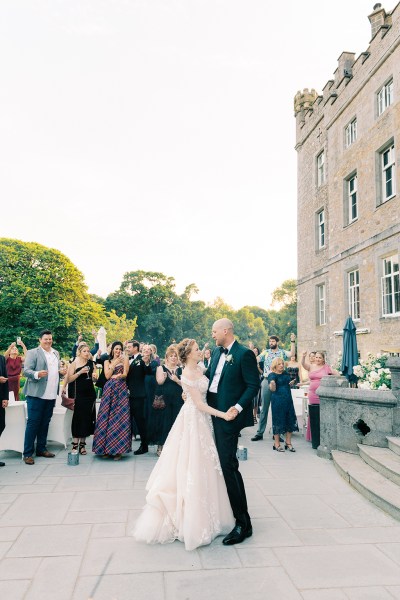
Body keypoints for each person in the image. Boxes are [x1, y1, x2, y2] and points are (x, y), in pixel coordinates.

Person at [133, 338, 236, 551]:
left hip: (202, 420)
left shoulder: (200, 368)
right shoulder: (187, 373)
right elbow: (199, 403)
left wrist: (186, 392)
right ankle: (191, 519)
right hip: (194, 419)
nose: (200, 352)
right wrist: (223, 415)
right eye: (197, 350)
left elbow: (202, 387)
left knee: (207, 464)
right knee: (193, 463)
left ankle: (211, 513)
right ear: (188, 354)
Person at [206, 318, 260, 545]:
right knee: (221, 465)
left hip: (228, 417)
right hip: (211, 414)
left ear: (225, 330)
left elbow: (253, 385)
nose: (213, 335)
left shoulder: (244, 353)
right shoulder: (217, 353)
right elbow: (209, 379)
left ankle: (243, 523)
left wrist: (237, 408)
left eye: (214, 330)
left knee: (229, 466)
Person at [22, 330, 65, 465]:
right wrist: (37, 374)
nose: (48, 341)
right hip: (36, 394)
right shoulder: (33, 352)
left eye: (50, 339)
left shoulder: (55, 353)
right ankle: (28, 453)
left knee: (45, 422)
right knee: (33, 423)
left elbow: (55, 372)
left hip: (51, 394)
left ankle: (41, 448)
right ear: (40, 340)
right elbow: (26, 371)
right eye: (45, 339)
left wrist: (61, 373)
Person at [251, 334, 296, 442]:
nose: (271, 343)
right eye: (270, 341)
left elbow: (292, 354)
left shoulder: (282, 352)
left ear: (277, 342)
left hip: (279, 382)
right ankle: (259, 433)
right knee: (264, 409)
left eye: (273, 341)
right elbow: (256, 358)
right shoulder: (265, 352)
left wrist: (292, 341)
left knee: (278, 409)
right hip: (267, 380)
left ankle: (277, 433)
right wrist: (251, 351)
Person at [92, 341, 131, 460]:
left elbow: (125, 374)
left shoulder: (125, 359)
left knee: (119, 417)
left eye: (120, 349)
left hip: (121, 389)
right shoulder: (106, 361)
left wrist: (120, 375)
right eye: (116, 349)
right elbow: (107, 375)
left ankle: (118, 450)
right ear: (112, 350)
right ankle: (106, 449)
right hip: (109, 390)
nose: (118, 351)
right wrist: (114, 364)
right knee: (106, 417)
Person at [62, 342, 97, 455]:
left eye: (88, 351)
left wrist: (94, 377)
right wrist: (80, 372)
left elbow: (94, 379)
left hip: (90, 394)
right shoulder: (74, 363)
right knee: (77, 419)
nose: (87, 353)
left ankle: (82, 445)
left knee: (87, 419)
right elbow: (69, 379)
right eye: (84, 351)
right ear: (80, 352)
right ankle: (75, 445)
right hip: (78, 395)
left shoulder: (92, 363)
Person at [302, 350, 338, 449]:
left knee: (322, 414)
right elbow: (303, 365)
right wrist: (303, 357)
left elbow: (337, 374)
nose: (317, 359)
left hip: (322, 394)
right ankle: (314, 437)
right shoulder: (312, 366)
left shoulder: (326, 368)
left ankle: (323, 436)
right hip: (312, 394)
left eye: (319, 358)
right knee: (313, 414)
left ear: (323, 359)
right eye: (316, 357)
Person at [153, 345, 183, 456]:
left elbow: (185, 384)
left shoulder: (180, 369)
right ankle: (161, 446)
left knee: (176, 422)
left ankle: (174, 447)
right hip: (165, 399)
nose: (174, 358)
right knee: (164, 422)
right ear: (167, 357)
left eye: (175, 356)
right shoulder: (161, 368)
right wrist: (164, 377)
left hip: (178, 399)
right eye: (171, 356)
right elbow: (159, 382)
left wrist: (177, 380)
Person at [268, 357, 299, 452]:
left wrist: (292, 382)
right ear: (275, 366)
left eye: (282, 363)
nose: (282, 365)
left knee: (289, 419)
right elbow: (272, 389)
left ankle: (288, 442)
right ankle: (276, 444)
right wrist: (272, 384)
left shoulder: (285, 373)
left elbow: (288, 383)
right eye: (279, 364)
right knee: (278, 421)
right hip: (277, 401)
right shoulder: (272, 375)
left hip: (288, 400)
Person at [126, 340, 151, 455]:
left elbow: (148, 372)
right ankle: (126, 445)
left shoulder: (142, 359)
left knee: (140, 421)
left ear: (136, 348)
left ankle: (144, 445)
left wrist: (146, 364)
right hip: (127, 395)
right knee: (128, 420)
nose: (127, 349)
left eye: (129, 347)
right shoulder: (127, 359)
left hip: (138, 396)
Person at [0, 355, 9, 467]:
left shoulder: (1, 358)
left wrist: (5, 397)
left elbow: (5, 377)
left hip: (0, 397)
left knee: (1, 424)